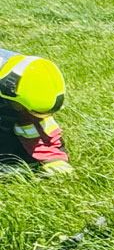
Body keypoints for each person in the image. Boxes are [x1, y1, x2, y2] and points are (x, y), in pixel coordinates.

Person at [0, 47, 73, 176]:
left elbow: (37, 125)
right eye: (23, 109)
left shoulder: (24, 74)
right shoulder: (13, 81)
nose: (27, 114)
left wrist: (54, 158)